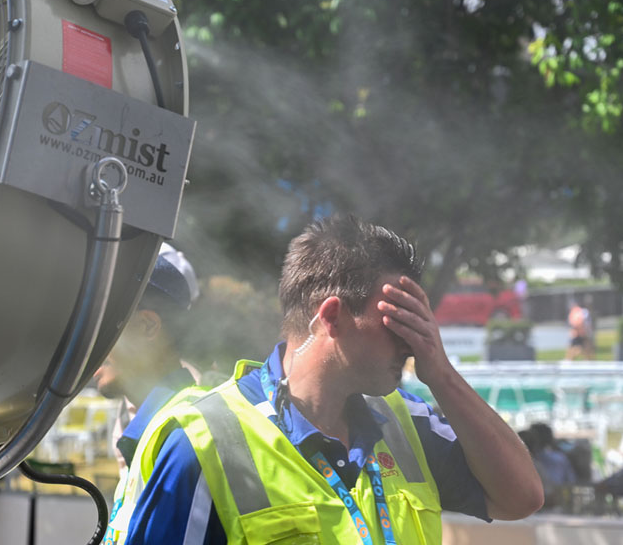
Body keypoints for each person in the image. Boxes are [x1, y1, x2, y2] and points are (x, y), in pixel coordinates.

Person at [123, 214, 544, 544]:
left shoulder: (407, 426)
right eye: (398, 323)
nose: (414, 345)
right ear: (332, 317)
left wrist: (443, 376)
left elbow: (522, 497)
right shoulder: (205, 442)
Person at [94, 243, 204, 544]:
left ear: (147, 326)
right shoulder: (151, 431)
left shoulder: (182, 439)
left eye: (101, 324)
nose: (88, 343)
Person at [565, 296, 595, 360]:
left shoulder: (576, 311)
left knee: (583, 350)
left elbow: (576, 323)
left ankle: (589, 363)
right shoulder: (580, 311)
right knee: (584, 350)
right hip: (580, 334)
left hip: (578, 334)